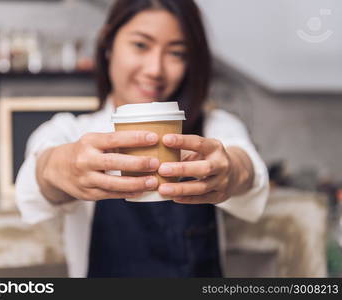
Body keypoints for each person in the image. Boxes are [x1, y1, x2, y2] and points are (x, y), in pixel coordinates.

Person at [15, 0, 269, 277]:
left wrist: (231, 170)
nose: (155, 70)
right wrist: (60, 166)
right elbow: (36, 177)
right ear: (108, 44)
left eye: (176, 53)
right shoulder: (73, 131)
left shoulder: (214, 127)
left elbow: (247, 166)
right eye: (140, 45)